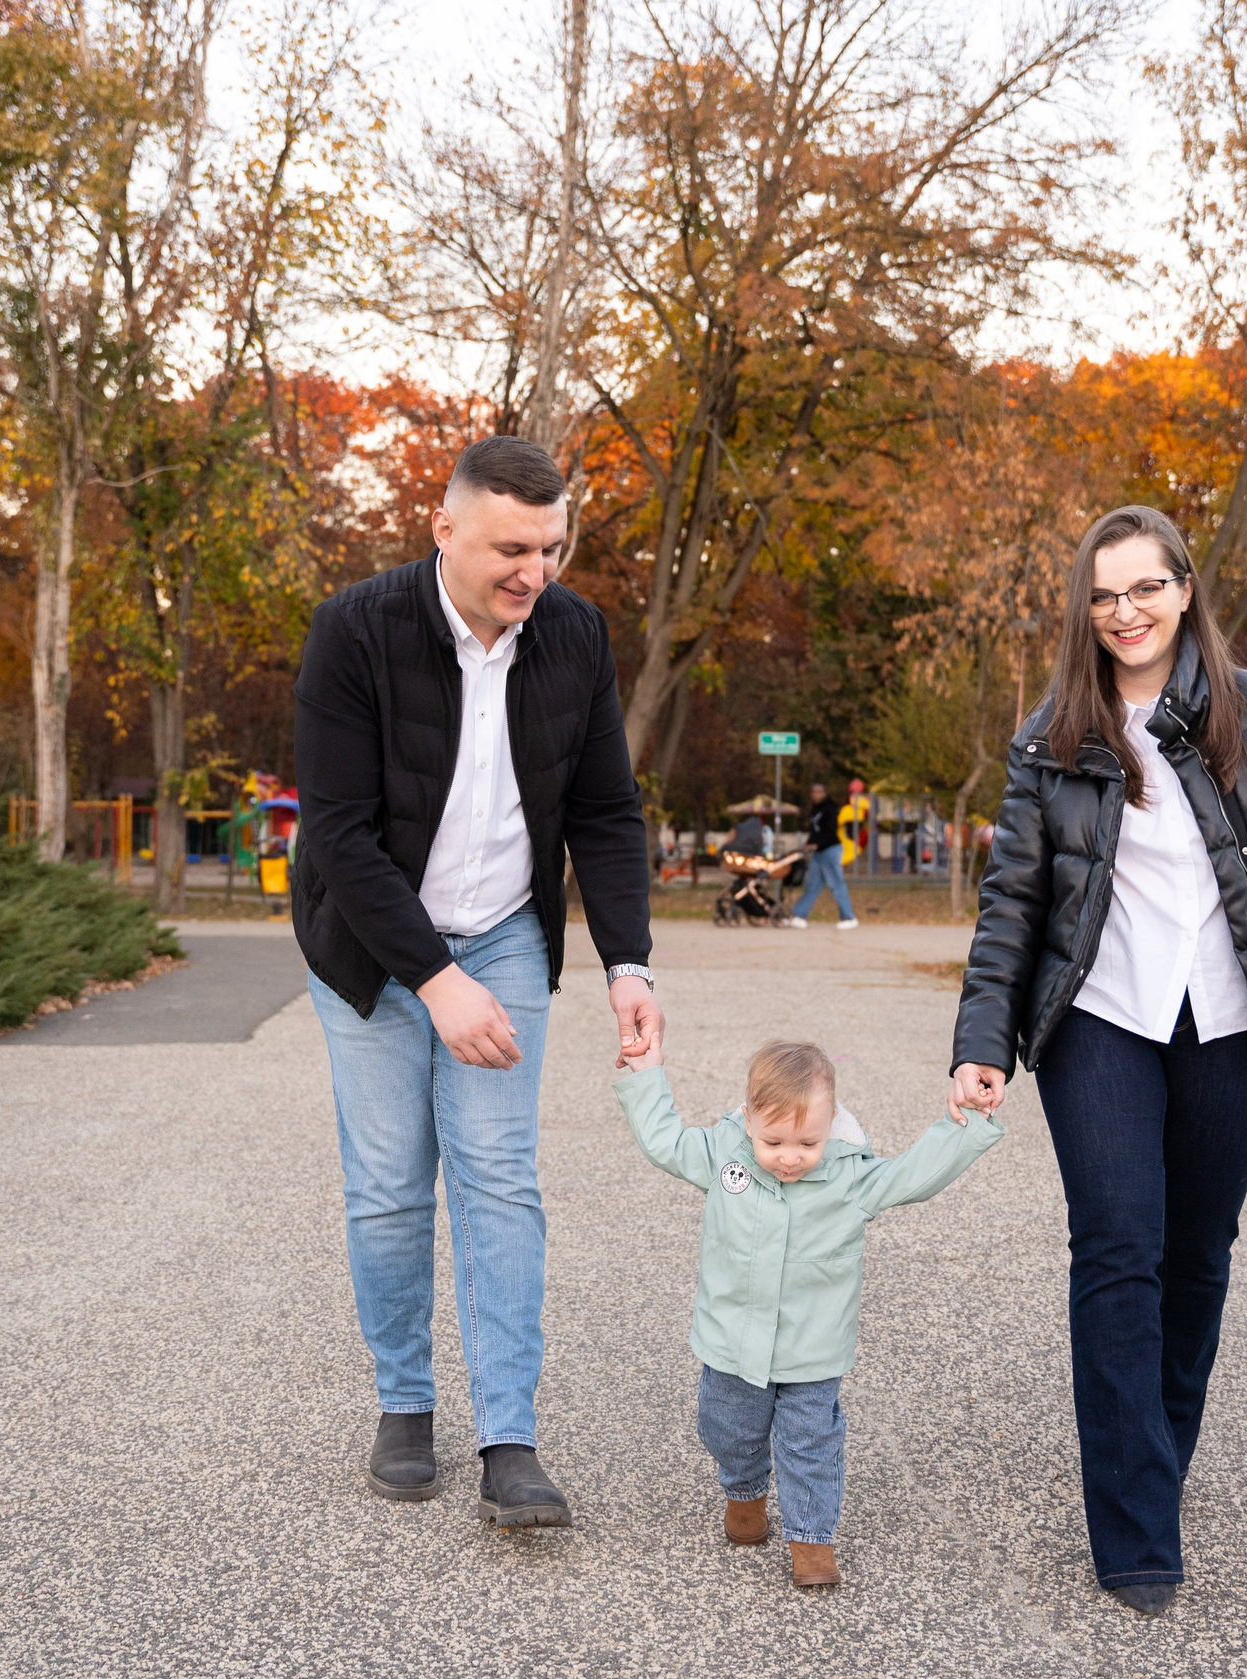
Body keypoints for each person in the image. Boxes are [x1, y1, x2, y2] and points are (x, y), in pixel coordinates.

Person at [946, 504, 1247, 1619]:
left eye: (1144, 590)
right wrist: (984, 1044)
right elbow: (1013, 902)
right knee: (1118, 1249)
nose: (1124, 613)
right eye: (1103, 595)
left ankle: (1155, 1450)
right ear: (1084, 608)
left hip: (1229, 1026)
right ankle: (1134, 1528)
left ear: (1185, 590)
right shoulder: (1049, 735)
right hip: (1101, 1024)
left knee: (1195, 1253)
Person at [292, 434, 663, 1528]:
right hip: (370, 945)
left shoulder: (575, 632)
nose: (533, 574)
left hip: (503, 931)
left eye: (551, 548)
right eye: (511, 548)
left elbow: (603, 811)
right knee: (392, 1183)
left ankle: (510, 1434)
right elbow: (341, 835)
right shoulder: (354, 631)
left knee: (499, 1178)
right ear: (443, 529)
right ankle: (404, 1404)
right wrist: (435, 982)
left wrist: (628, 961)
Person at [615, 1037, 1001, 1588]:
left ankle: (811, 1538)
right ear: (748, 1120)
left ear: (832, 1125)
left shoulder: (848, 1175)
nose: (790, 1156)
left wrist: (968, 1123)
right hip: (732, 1339)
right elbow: (663, 1141)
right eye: (773, 1141)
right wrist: (645, 1073)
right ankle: (744, 1493)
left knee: (810, 1442)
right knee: (727, 1427)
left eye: (807, 1142)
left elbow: (915, 1174)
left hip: (812, 1349)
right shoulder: (725, 1154)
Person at [787, 781, 858, 929]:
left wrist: (817, 845)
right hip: (818, 854)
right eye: (813, 792)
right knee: (812, 885)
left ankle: (849, 917)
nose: (816, 795)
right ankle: (800, 915)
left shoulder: (830, 809)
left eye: (819, 792)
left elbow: (831, 832)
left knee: (836, 883)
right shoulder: (815, 810)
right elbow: (815, 833)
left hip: (830, 850)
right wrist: (807, 845)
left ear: (824, 793)